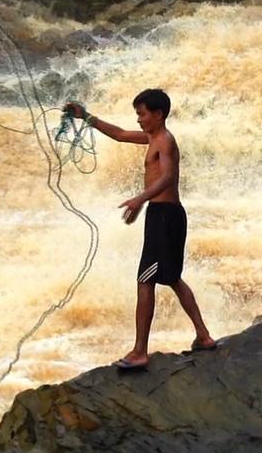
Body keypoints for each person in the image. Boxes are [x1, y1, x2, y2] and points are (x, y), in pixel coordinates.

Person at [65, 89, 216, 371]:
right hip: (166, 215)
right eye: (138, 114)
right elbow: (120, 134)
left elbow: (169, 177)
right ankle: (204, 336)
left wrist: (140, 199)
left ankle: (139, 352)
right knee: (173, 278)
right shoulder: (152, 138)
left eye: (142, 114)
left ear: (158, 115)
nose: (138, 120)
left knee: (145, 281)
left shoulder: (165, 141)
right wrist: (86, 117)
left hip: (164, 217)